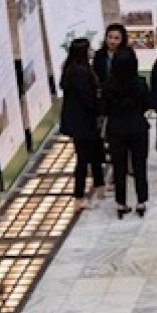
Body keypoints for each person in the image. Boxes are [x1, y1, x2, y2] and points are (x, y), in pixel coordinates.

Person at [102, 48, 151, 218]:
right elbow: (147, 104)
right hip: (138, 127)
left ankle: (121, 202)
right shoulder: (140, 83)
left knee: (119, 167)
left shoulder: (108, 85)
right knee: (139, 166)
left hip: (116, 129)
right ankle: (141, 201)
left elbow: (104, 108)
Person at [59, 38, 105, 211]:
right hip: (82, 122)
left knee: (94, 153)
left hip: (82, 121)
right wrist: (99, 106)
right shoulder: (79, 72)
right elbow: (87, 98)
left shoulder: (74, 69)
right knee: (83, 159)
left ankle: (99, 185)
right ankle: (78, 197)